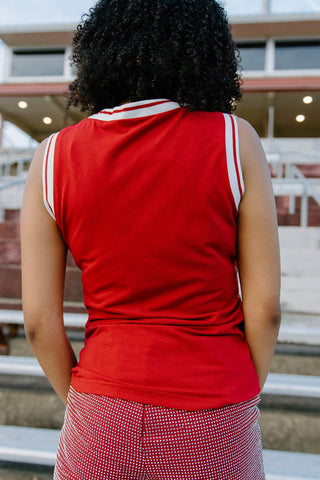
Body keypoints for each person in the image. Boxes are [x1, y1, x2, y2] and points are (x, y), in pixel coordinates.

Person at [21, 0, 281, 478]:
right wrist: (239, 391)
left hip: (101, 405)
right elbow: (264, 309)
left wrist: (88, 400)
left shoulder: (52, 157)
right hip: (215, 407)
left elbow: (38, 323)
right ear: (205, 51)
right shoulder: (234, 140)